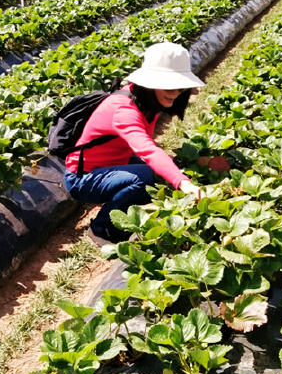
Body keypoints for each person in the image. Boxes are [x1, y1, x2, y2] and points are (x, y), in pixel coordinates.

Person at [64, 42, 204, 243]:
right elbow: (147, 149)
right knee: (147, 177)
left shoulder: (147, 102)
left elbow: (145, 146)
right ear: (150, 82)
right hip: (82, 178)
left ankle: (117, 199)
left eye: (180, 86)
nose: (175, 92)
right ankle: (102, 229)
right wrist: (182, 182)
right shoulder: (123, 109)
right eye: (169, 85)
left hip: (110, 165)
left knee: (162, 173)